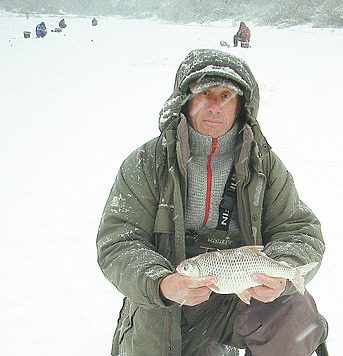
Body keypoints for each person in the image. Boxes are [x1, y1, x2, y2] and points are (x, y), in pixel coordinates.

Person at [97, 49, 328, 356]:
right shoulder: (145, 163)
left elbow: (299, 231)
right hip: (163, 307)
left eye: (226, 95)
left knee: (295, 313)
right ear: (186, 100)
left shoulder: (266, 166)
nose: (214, 106)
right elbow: (118, 243)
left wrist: (282, 270)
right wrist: (163, 284)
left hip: (236, 304)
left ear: (241, 105)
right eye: (204, 93)